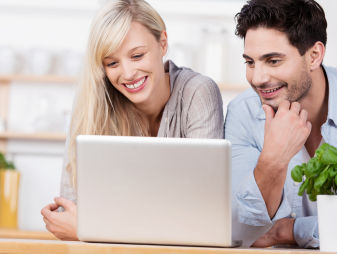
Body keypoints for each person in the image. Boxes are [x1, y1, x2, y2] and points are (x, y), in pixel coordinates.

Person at [225, 0, 337, 248]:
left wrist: (289, 230)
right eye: (250, 62)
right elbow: (238, 230)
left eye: (274, 61)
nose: (257, 78)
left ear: (314, 55)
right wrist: (273, 159)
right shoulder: (242, 112)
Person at [41, 0, 224, 240]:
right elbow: (71, 209)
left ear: (163, 43)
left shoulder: (197, 93)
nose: (127, 74)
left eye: (137, 55)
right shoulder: (94, 101)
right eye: (112, 63)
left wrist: (92, 229)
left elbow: (202, 216)